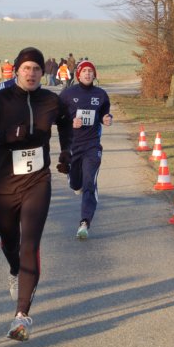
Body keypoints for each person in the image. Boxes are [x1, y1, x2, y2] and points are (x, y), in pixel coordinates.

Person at [0, 47, 73, 342]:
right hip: (3, 185)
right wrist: (3, 137)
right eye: (26, 68)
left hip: (38, 182)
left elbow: (65, 123)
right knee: (10, 242)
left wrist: (67, 151)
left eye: (36, 68)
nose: (31, 73)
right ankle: (15, 269)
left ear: (42, 72)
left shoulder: (50, 100)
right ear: (16, 71)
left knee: (30, 244)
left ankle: (21, 315)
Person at [59, 60, 112, 239]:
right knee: (76, 184)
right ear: (78, 74)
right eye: (84, 71)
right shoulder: (68, 94)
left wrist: (106, 118)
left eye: (91, 71)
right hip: (74, 145)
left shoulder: (101, 94)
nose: (88, 74)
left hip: (92, 145)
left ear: (94, 74)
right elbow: (57, 117)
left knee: (90, 182)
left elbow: (105, 113)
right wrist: (70, 121)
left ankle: (85, 222)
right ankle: (73, 180)